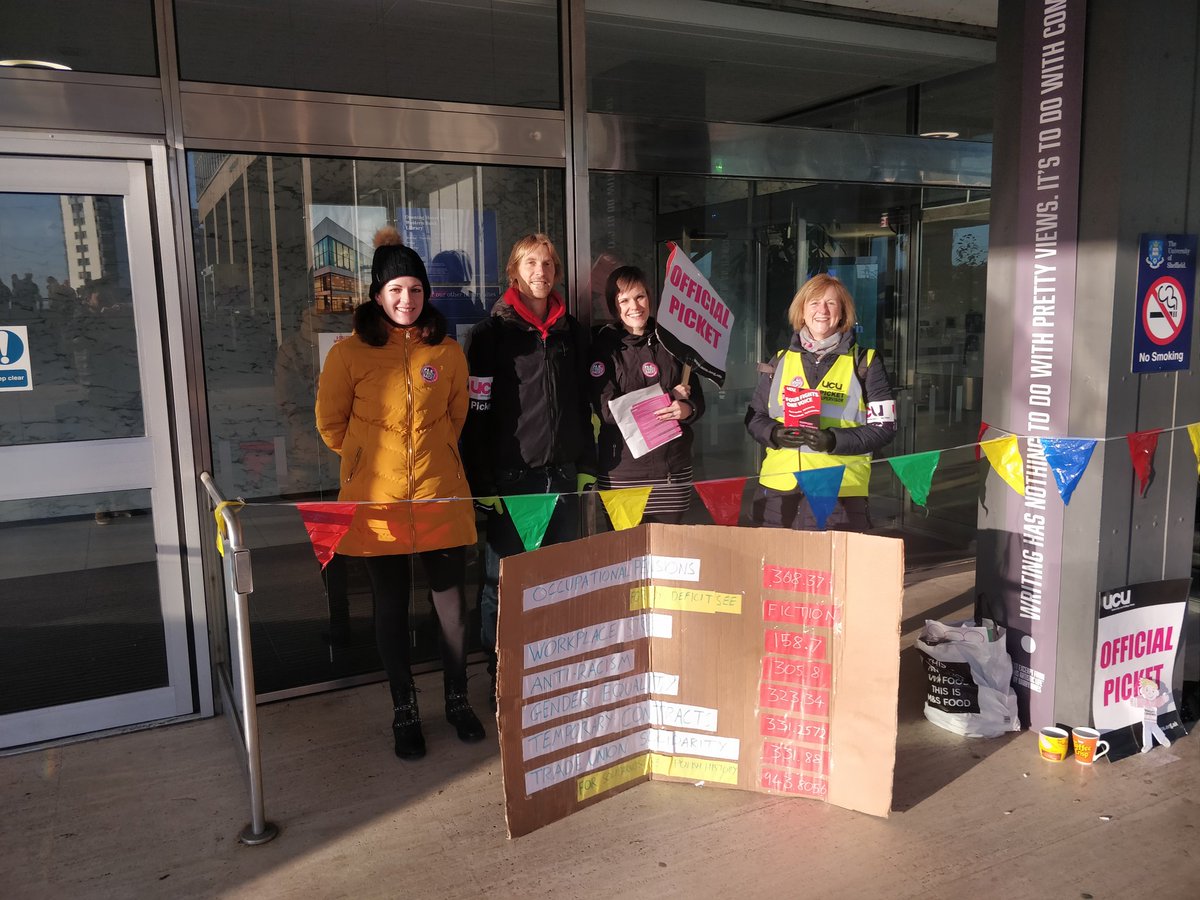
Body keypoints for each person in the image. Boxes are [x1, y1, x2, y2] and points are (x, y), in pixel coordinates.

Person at [316, 227, 485, 759]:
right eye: (395, 290)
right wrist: (368, 461)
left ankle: (457, 699)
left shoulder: (447, 351)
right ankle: (404, 708)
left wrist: (432, 458)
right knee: (389, 605)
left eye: (414, 289)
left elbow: (456, 416)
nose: (406, 299)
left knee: (452, 605)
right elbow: (330, 425)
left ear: (425, 293)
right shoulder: (347, 354)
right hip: (378, 500)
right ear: (377, 295)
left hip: (440, 491)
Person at [461, 233, 596, 699]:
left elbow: (582, 403)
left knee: (559, 581)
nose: (541, 272)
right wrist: (481, 480)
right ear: (514, 272)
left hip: (563, 477)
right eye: (531, 264)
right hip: (512, 481)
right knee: (503, 585)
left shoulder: (572, 332)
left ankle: (550, 674)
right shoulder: (489, 335)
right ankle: (501, 676)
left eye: (548, 264)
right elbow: (476, 413)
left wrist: (585, 463)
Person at [745, 273, 896, 531]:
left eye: (831, 303)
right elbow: (754, 417)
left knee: (830, 559)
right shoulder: (779, 360)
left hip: (838, 491)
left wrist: (834, 440)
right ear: (802, 312)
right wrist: (774, 433)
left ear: (843, 312)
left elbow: (884, 428)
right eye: (814, 303)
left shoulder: (866, 362)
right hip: (779, 490)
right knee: (777, 557)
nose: (822, 310)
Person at [589, 265, 705, 524]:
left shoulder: (672, 342)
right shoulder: (604, 348)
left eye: (640, 296)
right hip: (624, 474)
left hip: (672, 471)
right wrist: (667, 397)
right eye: (624, 300)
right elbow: (608, 411)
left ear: (650, 298)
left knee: (668, 548)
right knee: (625, 548)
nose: (635, 306)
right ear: (613, 306)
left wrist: (687, 409)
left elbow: (696, 398)